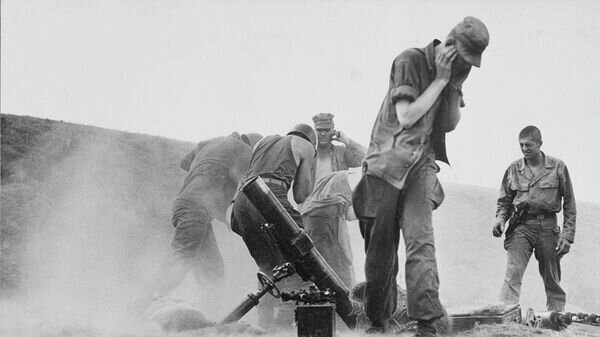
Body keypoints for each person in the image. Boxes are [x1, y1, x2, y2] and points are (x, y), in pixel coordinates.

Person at [352, 17, 489, 336]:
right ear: (451, 47)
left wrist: (452, 85)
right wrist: (440, 81)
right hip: (387, 163)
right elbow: (407, 116)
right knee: (381, 256)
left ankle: (428, 325)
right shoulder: (409, 60)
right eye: (464, 60)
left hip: (420, 168)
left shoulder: (456, 74)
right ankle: (377, 321)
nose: (467, 67)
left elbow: (449, 124)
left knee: (421, 242)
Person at [135, 132, 262, 312]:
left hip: (187, 204)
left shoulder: (211, 142)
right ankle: (137, 308)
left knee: (213, 268)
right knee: (181, 259)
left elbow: (184, 163)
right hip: (197, 207)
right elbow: (241, 179)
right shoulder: (244, 149)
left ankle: (211, 315)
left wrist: (208, 169)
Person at [231, 124, 317, 330]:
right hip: (268, 196)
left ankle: (265, 325)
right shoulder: (306, 145)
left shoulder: (263, 142)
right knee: (301, 260)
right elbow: (301, 195)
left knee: (269, 268)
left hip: (242, 201)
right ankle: (284, 325)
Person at [492, 125, 576, 312]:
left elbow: (570, 202)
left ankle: (556, 318)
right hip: (522, 227)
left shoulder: (558, 167)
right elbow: (505, 201)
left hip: (548, 227)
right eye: (521, 145)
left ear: (540, 144)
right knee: (512, 275)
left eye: (528, 145)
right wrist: (500, 219)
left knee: (552, 278)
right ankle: (506, 319)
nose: (524, 149)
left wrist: (567, 236)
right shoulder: (514, 169)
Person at [299, 169, 360, 289]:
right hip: (329, 217)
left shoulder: (342, 175)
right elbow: (350, 213)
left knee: (318, 265)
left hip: (310, 217)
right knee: (341, 269)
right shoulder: (373, 180)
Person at [312, 113, 365, 183]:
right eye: (319, 130)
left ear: (333, 131)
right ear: (314, 131)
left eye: (327, 130)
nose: (323, 134)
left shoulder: (341, 153)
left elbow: (365, 158)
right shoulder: (307, 153)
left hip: (336, 193)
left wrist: (347, 141)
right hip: (312, 193)